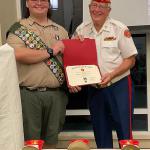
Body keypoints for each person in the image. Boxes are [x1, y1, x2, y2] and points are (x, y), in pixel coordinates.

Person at [67, 0, 138, 148]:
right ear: (89, 8)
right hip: (95, 89)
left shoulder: (118, 28)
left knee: (125, 132)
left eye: (101, 6)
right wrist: (73, 79)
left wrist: (111, 75)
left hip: (119, 86)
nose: (97, 10)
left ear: (108, 10)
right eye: (94, 6)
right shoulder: (82, 29)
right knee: (100, 132)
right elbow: (72, 56)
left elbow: (130, 60)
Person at [6, 0, 68, 148]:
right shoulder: (18, 29)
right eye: (34, 0)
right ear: (27, 4)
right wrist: (51, 51)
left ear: (49, 4)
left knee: (52, 141)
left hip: (56, 95)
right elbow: (19, 54)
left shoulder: (61, 31)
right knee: (30, 143)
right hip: (29, 95)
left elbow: (70, 61)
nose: (39, 3)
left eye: (43, 0)